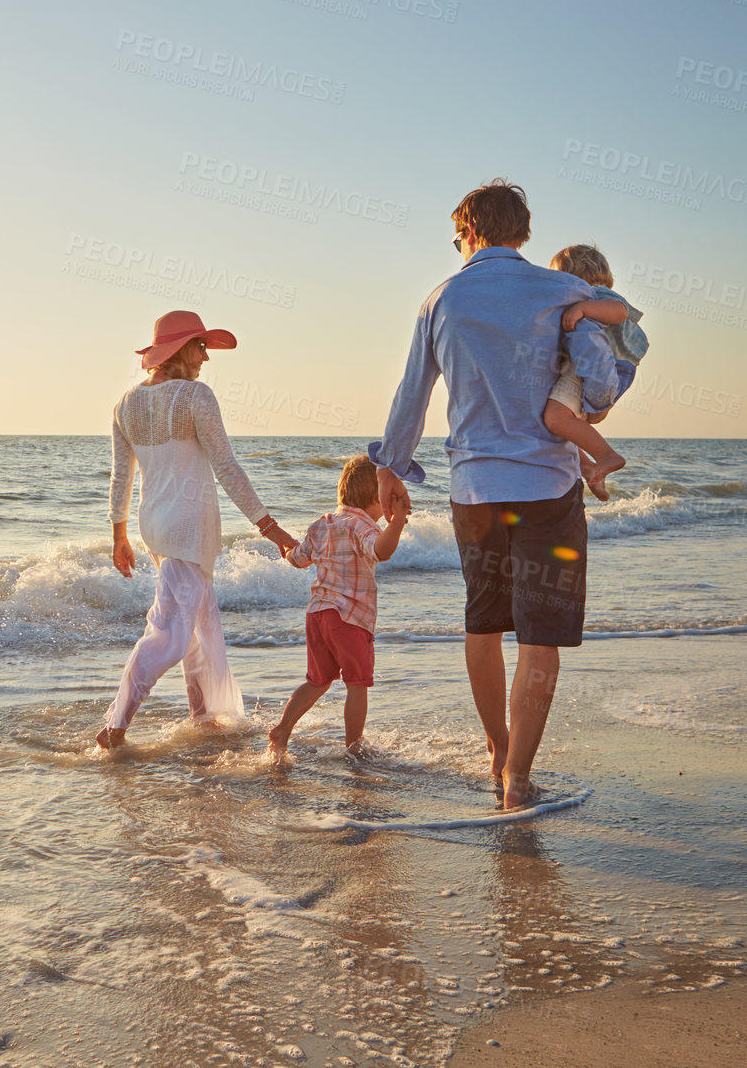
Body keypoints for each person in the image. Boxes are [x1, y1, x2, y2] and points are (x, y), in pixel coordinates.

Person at [369, 180, 620, 810]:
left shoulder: (440, 299)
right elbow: (598, 377)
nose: (458, 247)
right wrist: (591, 406)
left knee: (484, 626)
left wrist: (391, 467)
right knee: (539, 639)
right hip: (549, 488)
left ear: (472, 233)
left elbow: (412, 396)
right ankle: (518, 779)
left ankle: (496, 749)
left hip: (476, 491)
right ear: (521, 233)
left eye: (457, 237)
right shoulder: (565, 289)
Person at [98, 310, 298, 750]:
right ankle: (116, 724)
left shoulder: (124, 404)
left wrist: (120, 535)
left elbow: (120, 478)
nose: (206, 357)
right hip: (189, 527)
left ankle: (204, 718)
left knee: (199, 627)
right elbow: (226, 466)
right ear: (179, 349)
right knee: (170, 633)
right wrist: (271, 528)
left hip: (155, 527)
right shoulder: (195, 396)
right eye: (201, 346)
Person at [267, 456, 408, 761]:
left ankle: (282, 729)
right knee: (357, 684)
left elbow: (298, 558)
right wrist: (397, 523)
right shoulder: (363, 526)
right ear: (376, 498)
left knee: (317, 680)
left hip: (317, 615)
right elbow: (381, 551)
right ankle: (354, 748)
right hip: (350, 619)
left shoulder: (322, 524)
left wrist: (286, 549)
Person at [540, 244, 650, 501]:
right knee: (564, 426)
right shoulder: (588, 297)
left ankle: (607, 455)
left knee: (555, 418)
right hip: (596, 370)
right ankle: (588, 468)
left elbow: (620, 312)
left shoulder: (596, 294)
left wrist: (582, 309)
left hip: (588, 371)